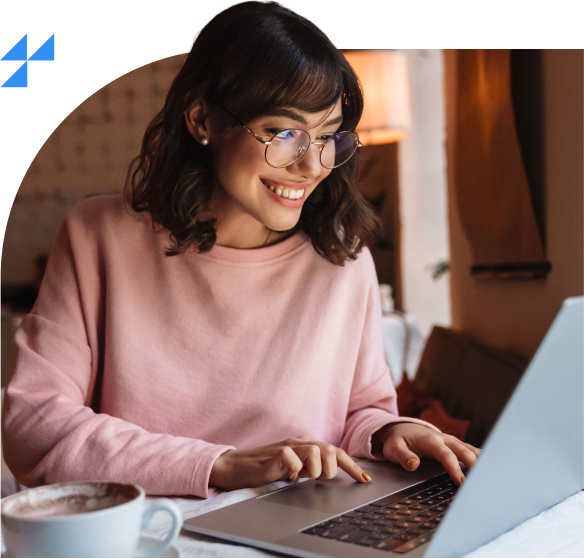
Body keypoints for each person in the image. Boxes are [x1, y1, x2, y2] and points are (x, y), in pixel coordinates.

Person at [1, 2, 480, 499]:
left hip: (297, 528)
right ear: (202, 119)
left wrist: (388, 431)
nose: (311, 166)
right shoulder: (96, 237)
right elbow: (35, 425)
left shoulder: (343, 260)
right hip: (151, 531)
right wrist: (217, 464)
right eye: (284, 133)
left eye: (328, 138)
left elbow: (362, 409)